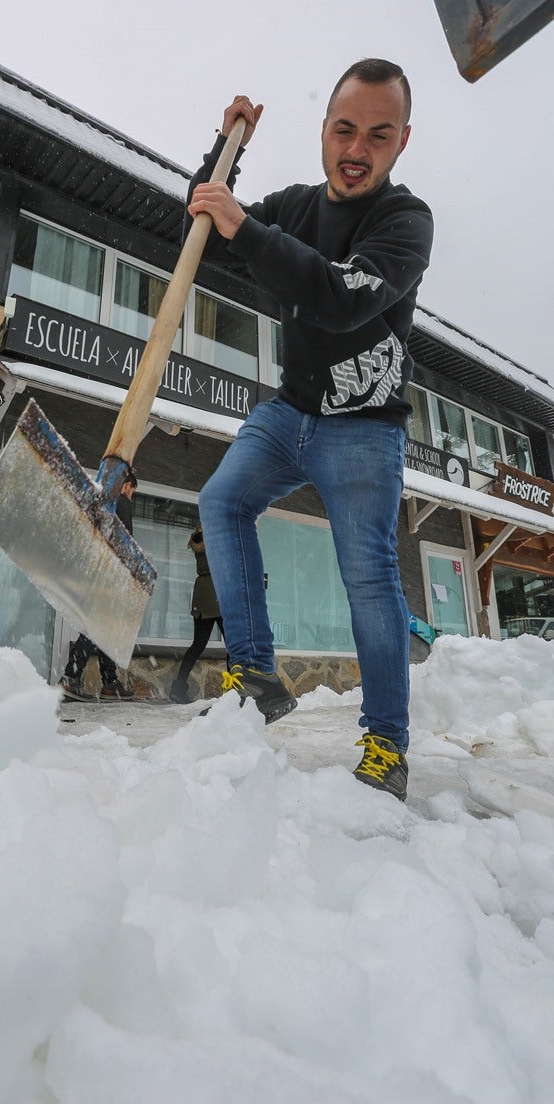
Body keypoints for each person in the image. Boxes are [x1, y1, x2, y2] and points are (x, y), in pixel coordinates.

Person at [187, 59, 434, 801]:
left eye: (378, 135)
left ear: (402, 142)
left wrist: (239, 223)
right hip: (290, 410)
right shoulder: (294, 207)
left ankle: (387, 743)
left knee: (370, 579)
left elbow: (336, 299)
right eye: (345, 129)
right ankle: (256, 673)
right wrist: (220, 161)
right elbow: (203, 220)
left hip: (364, 428)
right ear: (324, 131)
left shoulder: (405, 222)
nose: (357, 148)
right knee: (222, 501)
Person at [59, 471, 138, 700]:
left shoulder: (102, 504)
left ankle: (110, 683)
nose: (132, 495)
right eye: (133, 489)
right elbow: (126, 542)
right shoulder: (121, 502)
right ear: (127, 486)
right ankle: (70, 678)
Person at [169, 526, 225, 703]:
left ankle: (178, 687)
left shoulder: (199, 537)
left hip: (202, 591)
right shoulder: (217, 537)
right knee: (233, 646)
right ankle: (234, 689)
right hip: (218, 590)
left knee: (198, 644)